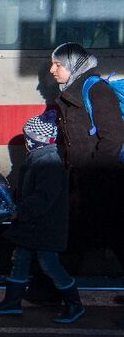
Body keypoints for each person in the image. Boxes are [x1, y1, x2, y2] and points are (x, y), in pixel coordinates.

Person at [49, 42, 124, 327]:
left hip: (103, 183)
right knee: (109, 238)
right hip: (91, 182)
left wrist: (92, 179)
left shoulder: (95, 90)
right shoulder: (74, 91)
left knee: (75, 240)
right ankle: (55, 294)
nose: (52, 70)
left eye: (58, 64)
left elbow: (112, 139)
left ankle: (63, 299)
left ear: (74, 65)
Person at [0, 111, 85, 323]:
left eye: (27, 138)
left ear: (35, 140)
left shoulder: (48, 163)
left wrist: (19, 211)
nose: (25, 142)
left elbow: (42, 198)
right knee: (20, 259)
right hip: (33, 224)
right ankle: (12, 303)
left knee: (49, 264)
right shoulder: (39, 159)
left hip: (44, 225)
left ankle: (74, 304)